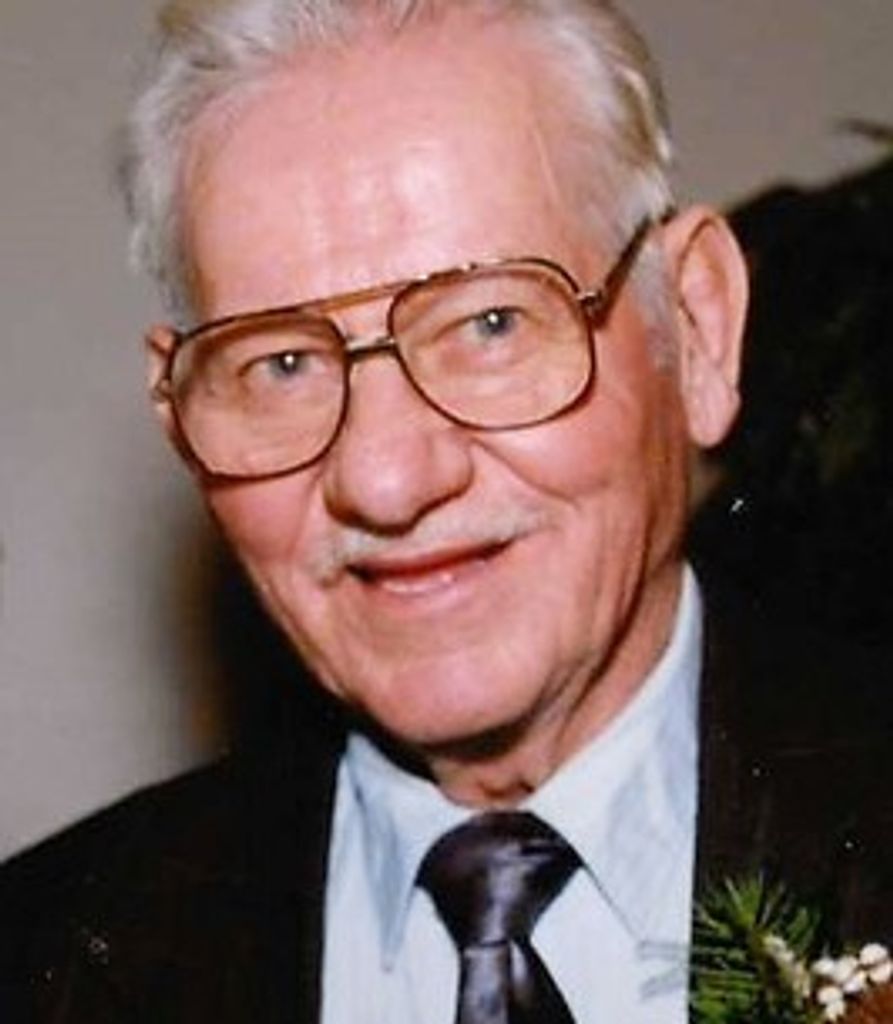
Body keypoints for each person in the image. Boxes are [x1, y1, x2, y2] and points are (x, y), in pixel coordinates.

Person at [1, 0, 890, 1021]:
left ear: (693, 325)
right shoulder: (41, 958)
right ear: (181, 414)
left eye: (489, 322)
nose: (385, 479)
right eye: (281, 364)